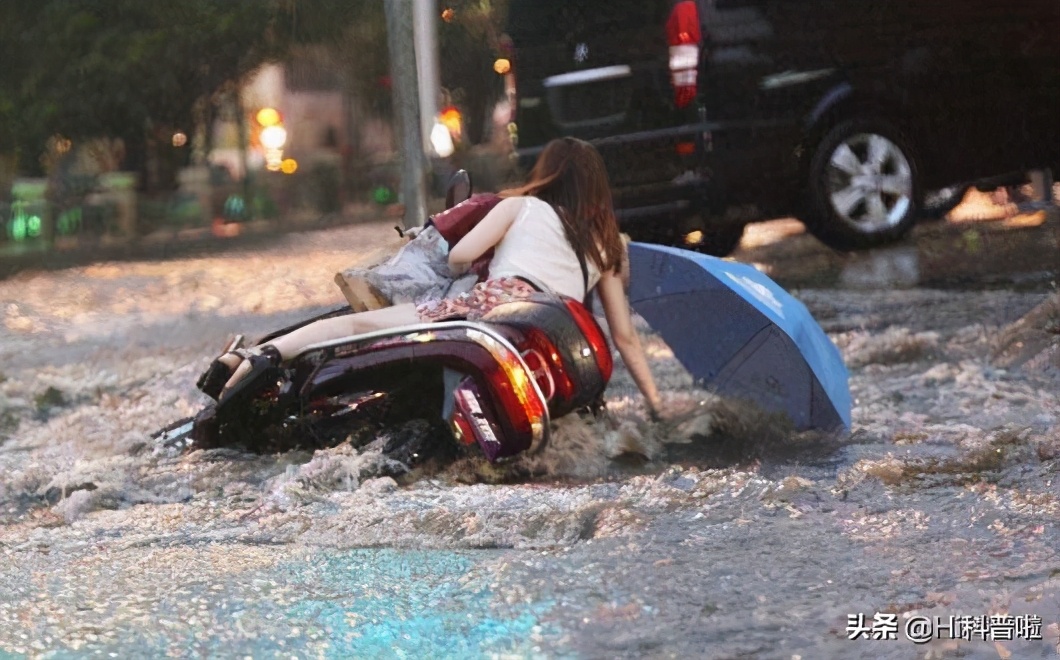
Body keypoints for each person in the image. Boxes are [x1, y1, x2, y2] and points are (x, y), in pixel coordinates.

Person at [202, 137, 662, 420]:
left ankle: (260, 352)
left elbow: (459, 254)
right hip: (556, 335)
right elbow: (625, 336)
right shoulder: (607, 244)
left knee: (362, 326)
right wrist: (657, 408)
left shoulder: (519, 207)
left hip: (498, 308)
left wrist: (478, 260)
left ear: (547, 176)